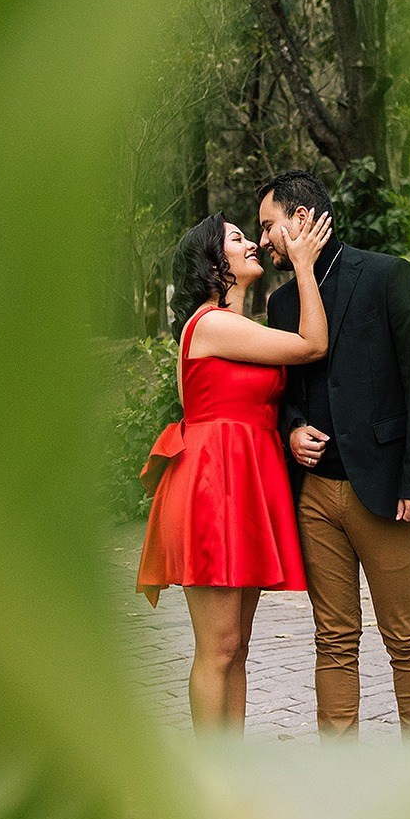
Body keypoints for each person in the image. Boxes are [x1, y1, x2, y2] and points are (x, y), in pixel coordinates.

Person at [258, 169, 410, 738]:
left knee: (406, 637)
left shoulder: (387, 277)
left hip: (387, 489)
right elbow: (286, 394)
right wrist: (293, 430)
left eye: (270, 225)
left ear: (300, 221)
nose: (265, 238)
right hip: (317, 495)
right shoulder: (281, 303)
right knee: (333, 639)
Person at [137, 208, 334, 733]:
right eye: (237, 238)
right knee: (218, 647)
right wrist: (305, 266)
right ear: (212, 262)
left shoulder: (238, 328)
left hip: (242, 482)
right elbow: (312, 345)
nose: (251, 243)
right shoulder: (212, 324)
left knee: (237, 648)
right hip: (211, 486)